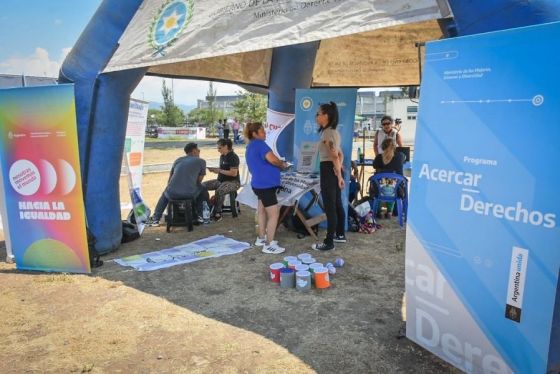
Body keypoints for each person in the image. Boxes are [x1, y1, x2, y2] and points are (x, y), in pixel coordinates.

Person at [244, 122, 288, 254]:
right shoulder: (260, 145)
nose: (265, 133)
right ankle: (269, 244)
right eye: (262, 131)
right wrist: (282, 164)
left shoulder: (250, 146)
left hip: (258, 184)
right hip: (265, 185)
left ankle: (261, 238)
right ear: (254, 134)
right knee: (274, 214)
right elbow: (273, 160)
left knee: (261, 211)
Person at [147, 143, 208, 226]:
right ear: (194, 151)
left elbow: (170, 179)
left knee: (166, 192)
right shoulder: (201, 161)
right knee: (203, 187)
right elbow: (199, 181)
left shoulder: (178, 160)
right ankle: (200, 216)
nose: (199, 152)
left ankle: (156, 218)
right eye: (198, 150)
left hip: (172, 193)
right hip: (189, 194)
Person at [312, 101, 346, 251]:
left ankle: (329, 242)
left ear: (326, 116)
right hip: (332, 169)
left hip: (329, 170)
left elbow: (334, 155)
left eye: (318, 113)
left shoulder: (328, 133)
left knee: (330, 207)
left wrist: (338, 175)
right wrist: (339, 170)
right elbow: (339, 154)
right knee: (336, 204)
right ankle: (339, 235)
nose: (316, 116)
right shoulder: (333, 132)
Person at [203, 138, 240, 221]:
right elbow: (223, 170)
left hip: (233, 182)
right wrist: (215, 170)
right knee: (202, 186)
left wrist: (219, 170)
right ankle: (207, 206)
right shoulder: (222, 156)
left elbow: (233, 173)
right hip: (220, 181)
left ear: (226, 146)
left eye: (219, 148)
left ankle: (217, 213)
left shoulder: (233, 157)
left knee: (220, 190)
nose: (218, 150)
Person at [372, 138, 406, 218]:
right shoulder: (400, 156)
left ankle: (380, 211)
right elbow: (404, 157)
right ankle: (390, 211)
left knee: (382, 184)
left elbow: (374, 166)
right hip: (395, 191)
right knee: (393, 184)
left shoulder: (378, 158)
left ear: (383, 147)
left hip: (379, 191)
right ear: (394, 147)